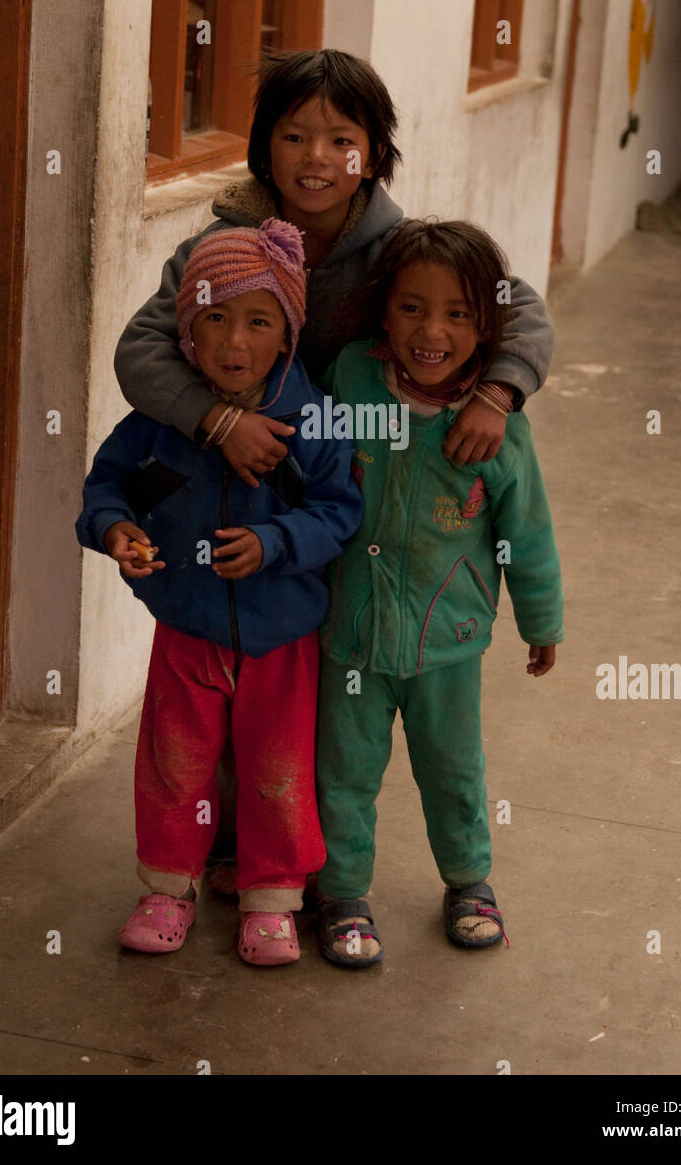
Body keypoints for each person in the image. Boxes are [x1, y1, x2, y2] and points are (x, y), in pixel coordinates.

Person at [114, 47, 556, 890]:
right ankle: (231, 847)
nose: (316, 158)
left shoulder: (394, 249)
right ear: (262, 149)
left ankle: (307, 868)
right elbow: (141, 349)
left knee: (310, 703)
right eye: (293, 136)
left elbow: (516, 307)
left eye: (340, 140)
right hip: (235, 510)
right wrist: (218, 419)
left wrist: (497, 393)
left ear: (373, 154)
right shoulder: (222, 246)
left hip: (349, 510)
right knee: (242, 670)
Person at [75, 219, 363, 965]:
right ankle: (167, 889)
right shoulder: (159, 428)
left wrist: (275, 544)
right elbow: (109, 488)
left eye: (258, 322)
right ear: (186, 334)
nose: (235, 343)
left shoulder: (316, 423)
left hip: (283, 640)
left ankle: (272, 901)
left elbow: (339, 514)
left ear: (288, 336)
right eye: (214, 319)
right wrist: (114, 531)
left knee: (277, 768)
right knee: (173, 761)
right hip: (187, 630)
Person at [314, 219, 564, 968]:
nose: (432, 330)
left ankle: (467, 882)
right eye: (412, 308)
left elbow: (529, 532)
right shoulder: (351, 377)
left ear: (487, 328)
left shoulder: (495, 426)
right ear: (382, 312)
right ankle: (342, 893)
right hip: (347, 632)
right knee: (343, 771)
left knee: (452, 770)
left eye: (458, 314)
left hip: (448, 638)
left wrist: (540, 619)